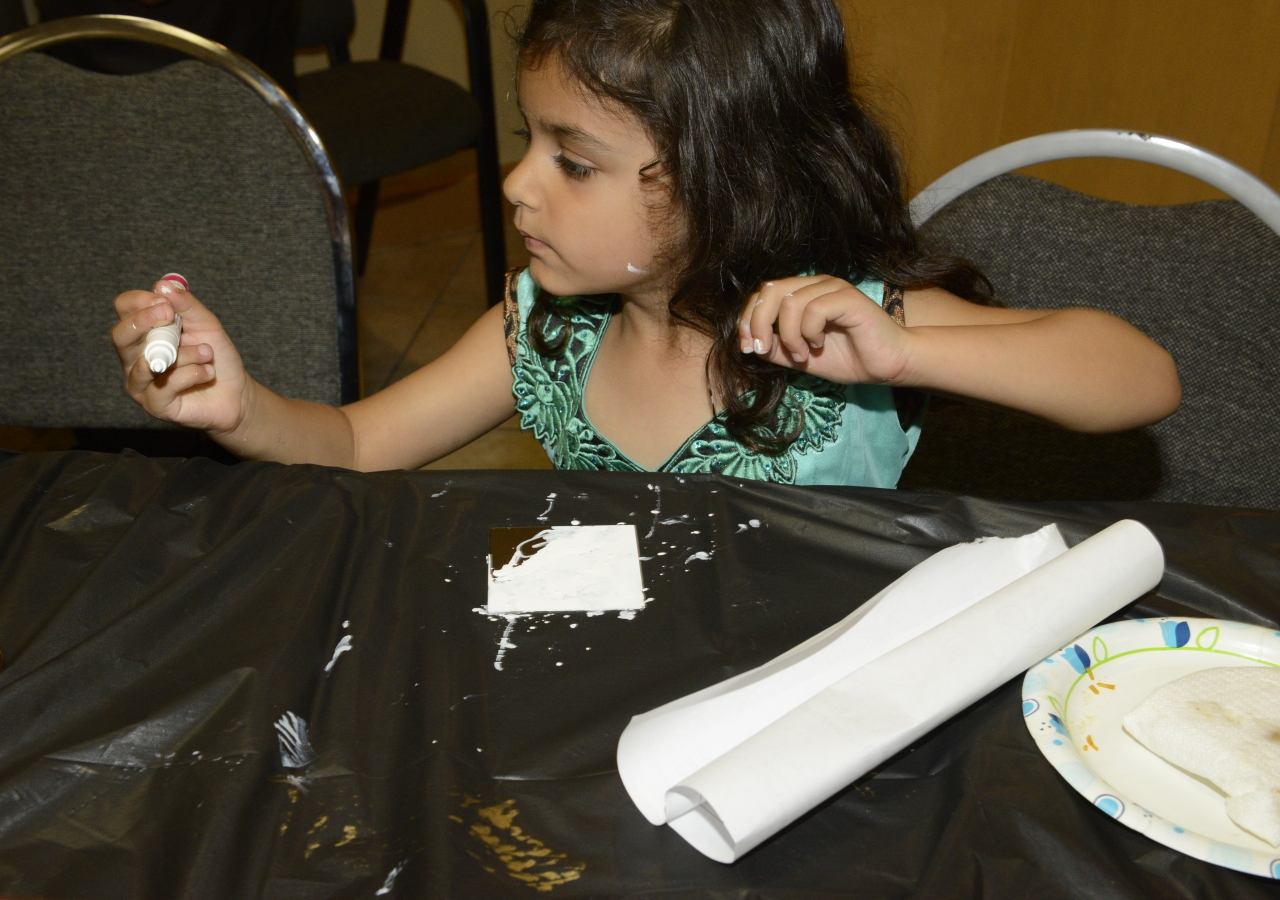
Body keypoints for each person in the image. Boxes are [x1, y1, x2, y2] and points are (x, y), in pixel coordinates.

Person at [110, 0, 1181, 485]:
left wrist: (905, 356)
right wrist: (239, 408)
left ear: (728, 180)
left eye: (572, 162)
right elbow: (351, 446)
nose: (517, 184)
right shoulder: (542, 332)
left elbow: (1138, 381)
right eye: (530, 142)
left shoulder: (838, 332)